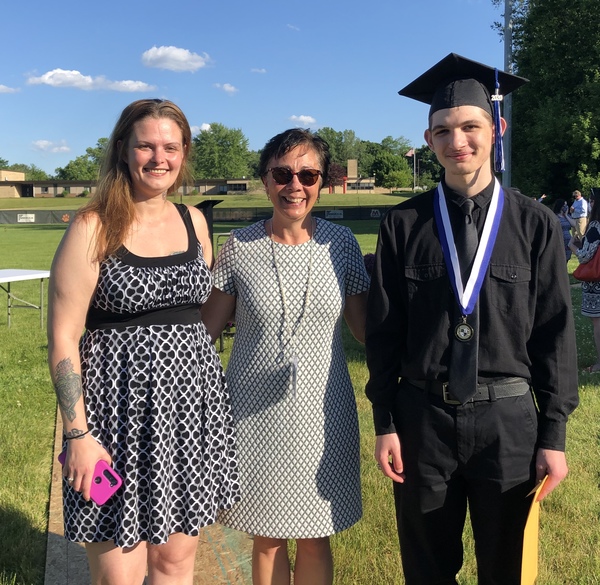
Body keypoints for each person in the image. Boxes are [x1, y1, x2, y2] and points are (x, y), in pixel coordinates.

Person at [365, 53, 579, 584]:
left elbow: (555, 333)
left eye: (469, 126)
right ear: (429, 138)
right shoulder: (402, 224)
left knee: (506, 568)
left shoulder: (536, 225)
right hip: (422, 421)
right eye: (443, 130)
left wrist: (553, 434)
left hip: (507, 422)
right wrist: (385, 422)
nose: (457, 140)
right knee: (427, 567)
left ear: (496, 127)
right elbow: (384, 330)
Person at [47, 99, 239, 584]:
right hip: (115, 421)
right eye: (146, 145)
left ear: (184, 152)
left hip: (189, 418)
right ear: (123, 150)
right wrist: (77, 435)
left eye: (171, 147)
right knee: (120, 573)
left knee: (175, 565)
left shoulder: (195, 221)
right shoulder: (93, 227)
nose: (160, 158)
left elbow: (198, 317)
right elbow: (64, 337)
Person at [202, 128, 369, 585]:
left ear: (322, 180)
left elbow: (365, 331)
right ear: (265, 179)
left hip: (323, 413)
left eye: (308, 174)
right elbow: (205, 332)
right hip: (253, 420)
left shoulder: (342, 245)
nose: (294, 185)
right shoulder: (238, 247)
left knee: (317, 535)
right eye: (282, 173)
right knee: (267, 537)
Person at [569, 193, 600, 373]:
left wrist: (572, 246)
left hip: (596, 283)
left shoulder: (595, 225)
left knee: (598, 323)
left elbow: (586, 255)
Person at [554, 197, 577, 262]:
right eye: (564, 205)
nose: (566, 207)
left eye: (566, 205)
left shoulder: (567, 216)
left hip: (568, 240)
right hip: (560, 239)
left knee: (567, 257)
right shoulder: (555, 216)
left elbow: (574, 224)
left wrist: (566, 215)